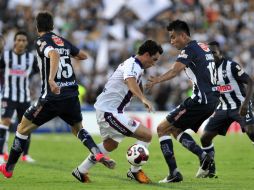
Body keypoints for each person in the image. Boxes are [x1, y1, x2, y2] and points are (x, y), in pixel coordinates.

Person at [0, 11, 115, 179]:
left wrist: (52, 79)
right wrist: (66, 53)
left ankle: (9, 168)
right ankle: (96, 152)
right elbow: (82, 55)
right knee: (77, 129)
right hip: (71, 95)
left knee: (22, 128)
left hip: (52, 97)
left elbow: (52, 54)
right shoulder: (61, 40)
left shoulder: (41, 41)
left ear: (37, 26)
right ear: (52, 26)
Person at [72, 40, 163, 184]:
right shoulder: (132, 65)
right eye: (154, 59)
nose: (154, 63)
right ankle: (135, 172)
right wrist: (143, 99)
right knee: (146, 135)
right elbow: (130, 81)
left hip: (108, 110)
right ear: (146, 55)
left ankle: (81, 170)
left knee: (111, 144)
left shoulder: (135, 65)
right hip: (110, 112)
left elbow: (134, 82)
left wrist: (143, 88)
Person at [146, 20, 220, 182]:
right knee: (175, 130)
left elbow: (175, 71)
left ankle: (176, 172)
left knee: (161, 129)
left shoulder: (189, 49)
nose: (171, 42)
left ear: (183, 35)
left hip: (200, 99)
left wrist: (156, 80)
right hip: (212, 99)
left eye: (173, 37)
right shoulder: (203, 46)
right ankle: (203, 159)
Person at [200, 41, 254, 178]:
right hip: (223, 108)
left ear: (220, 53)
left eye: (214, 52)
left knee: (251, 131)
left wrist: (246, 103)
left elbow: (250, 82)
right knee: (205, 138)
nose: (211, 55)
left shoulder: (231, 66)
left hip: (240, 106)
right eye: (209, 53)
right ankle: (210, 171)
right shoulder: (208, 70)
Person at [0, 31, 38, 164]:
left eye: (23, 40)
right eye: (19, 40)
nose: (21, 42)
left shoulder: (31, 58)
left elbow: (36, 70)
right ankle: (0, 155)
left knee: (26, 126)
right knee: (5, 122)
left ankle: (25, 155)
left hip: (24, 97)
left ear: (26, 43)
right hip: (8, 96)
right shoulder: (5, 56)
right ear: (14, 41)